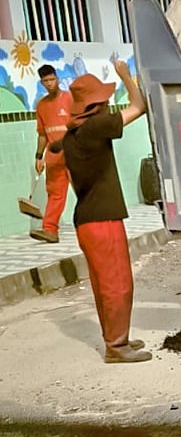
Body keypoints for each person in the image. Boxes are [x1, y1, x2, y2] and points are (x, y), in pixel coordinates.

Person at [54, 61, 152, 364]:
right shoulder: (96, 126)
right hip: (102, 220)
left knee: (103, 285)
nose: (108, 102)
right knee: (117, 283)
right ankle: (116, 346)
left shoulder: (70, 138)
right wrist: (125, 75)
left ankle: (116, 337)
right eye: (105, 98)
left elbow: (57, 156)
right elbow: (139, 106)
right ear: (95, 105)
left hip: (86, 220)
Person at [32, 64, 73, 244]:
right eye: (45, 81)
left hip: (75, 155)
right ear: (42, 83)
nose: (49, 83)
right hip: (54, 158)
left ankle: (97, 225)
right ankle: (49, 230)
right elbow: (42, 134)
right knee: (55, 194)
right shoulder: (41, 106)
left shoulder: (70, 99)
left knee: (85, 191)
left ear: (57, 78)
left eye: (52, 79)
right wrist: (38, 157)